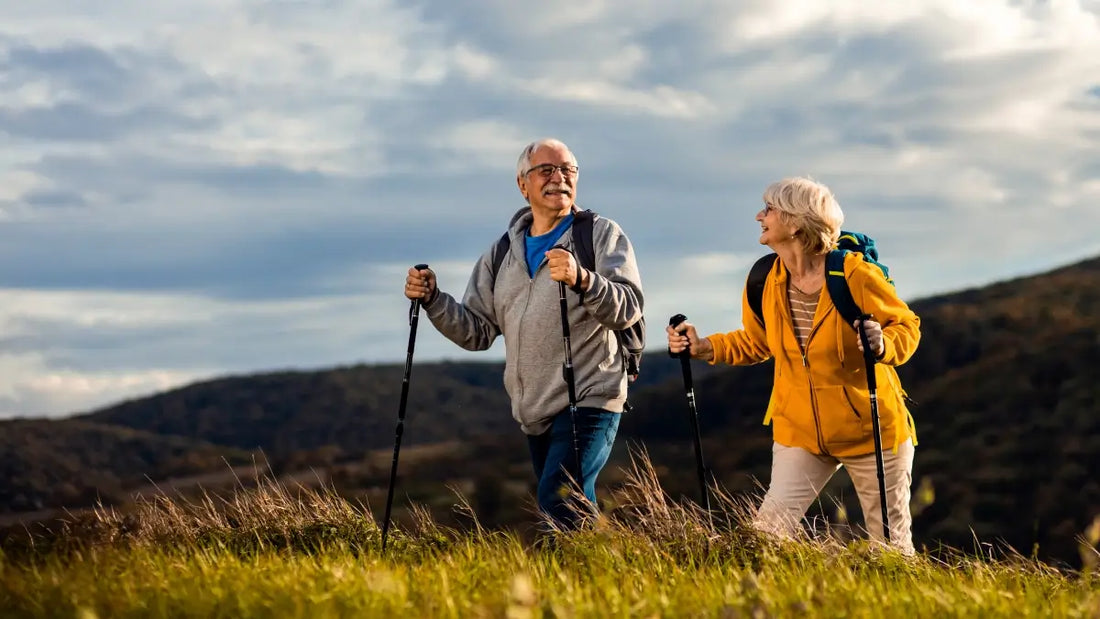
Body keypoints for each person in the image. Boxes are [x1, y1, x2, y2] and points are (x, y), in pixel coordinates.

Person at [667, 177, 921, 553]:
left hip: (872, 432)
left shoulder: (854, 275)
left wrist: (883, 345)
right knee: (765, 537)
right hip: (799, 432)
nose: (759, 216)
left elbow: (907, 326)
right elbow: (756, 343)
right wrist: (703, 346)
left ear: (797, 222)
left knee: (891, 548)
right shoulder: (764, 279)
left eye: (769, 209)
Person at [404, 138, 644, 530]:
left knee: (559, 500)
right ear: (523, 184)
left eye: (568, 170)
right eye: (546, 170)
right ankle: (599, 576)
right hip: (534, 408)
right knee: (569, 504)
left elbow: (629, 306)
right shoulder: (501, 254)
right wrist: (433, 299)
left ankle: (566, 586)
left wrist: (583, 279)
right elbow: (476, 331)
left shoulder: (600, 235)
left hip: (591, 393)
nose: (559, 178)